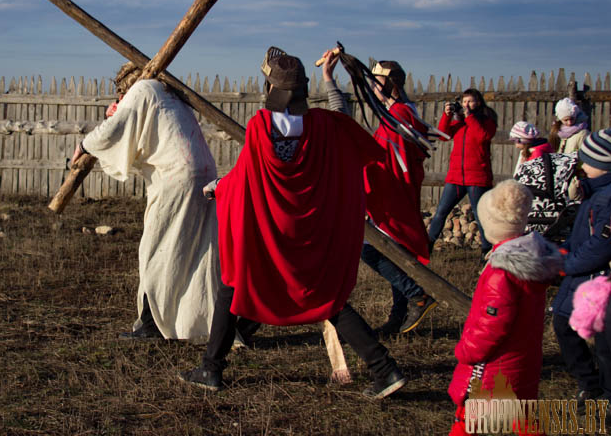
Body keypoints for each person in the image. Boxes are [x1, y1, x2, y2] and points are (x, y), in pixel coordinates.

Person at [179, 47, 406, 398]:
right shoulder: (324, 126)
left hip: (268, 229)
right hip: (310, 228)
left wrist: (220, 189)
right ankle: (384, 368)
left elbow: (247, 178)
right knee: (325, 296)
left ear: (271, 88)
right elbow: (343, 122)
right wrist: (330, 80)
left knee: (232, 283)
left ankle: (211, 369)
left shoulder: (261, 126)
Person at [72, 62, 219, 341]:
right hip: (203, 175)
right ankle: (196, 322)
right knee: (192, 253)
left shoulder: (142, 89)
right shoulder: (169, 95)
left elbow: (115, 130)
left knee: (157, 251)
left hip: (177, 179)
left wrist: (84, 145)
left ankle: (152, 325)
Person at [322, 55, 436, 335]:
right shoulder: (397, 112)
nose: (372, 87)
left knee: (369, 249)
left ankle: (416, 295)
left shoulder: (400, 115)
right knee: (396, 254)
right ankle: (399, 315)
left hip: (393, 197)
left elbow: (389, 158)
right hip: (391, 194)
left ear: (390, 84)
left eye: (377, 82)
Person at [448, 180, 562, 435]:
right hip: (523, 362)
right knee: (524, 418)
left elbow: (492, 325)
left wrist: (467, 351)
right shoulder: (530, 262)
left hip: (492, 367)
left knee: (467, 421)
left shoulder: (501, 272)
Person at [551, 128, 611, 405]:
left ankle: (607, 393)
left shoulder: (608, 199)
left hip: (598, 278)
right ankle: (588, 381)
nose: (582, 167)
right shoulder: (593, 193)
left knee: (605, 342)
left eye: (588, 162)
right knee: (563, 324)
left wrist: (567, 262)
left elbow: (601, 245)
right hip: (579, 275)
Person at [427, 89, 497, 256]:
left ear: (478, 103)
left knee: (480, 217)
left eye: (470, 101)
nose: (466, 105)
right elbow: (443, 136)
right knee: (441, 212)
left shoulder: (486, 122)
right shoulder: (460, 123)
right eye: (464, 102)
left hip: (477, 178)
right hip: (456, 177)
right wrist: (447, 116)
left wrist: (469, 117)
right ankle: (426, 246)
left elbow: (482, 137)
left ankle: (486, 252)